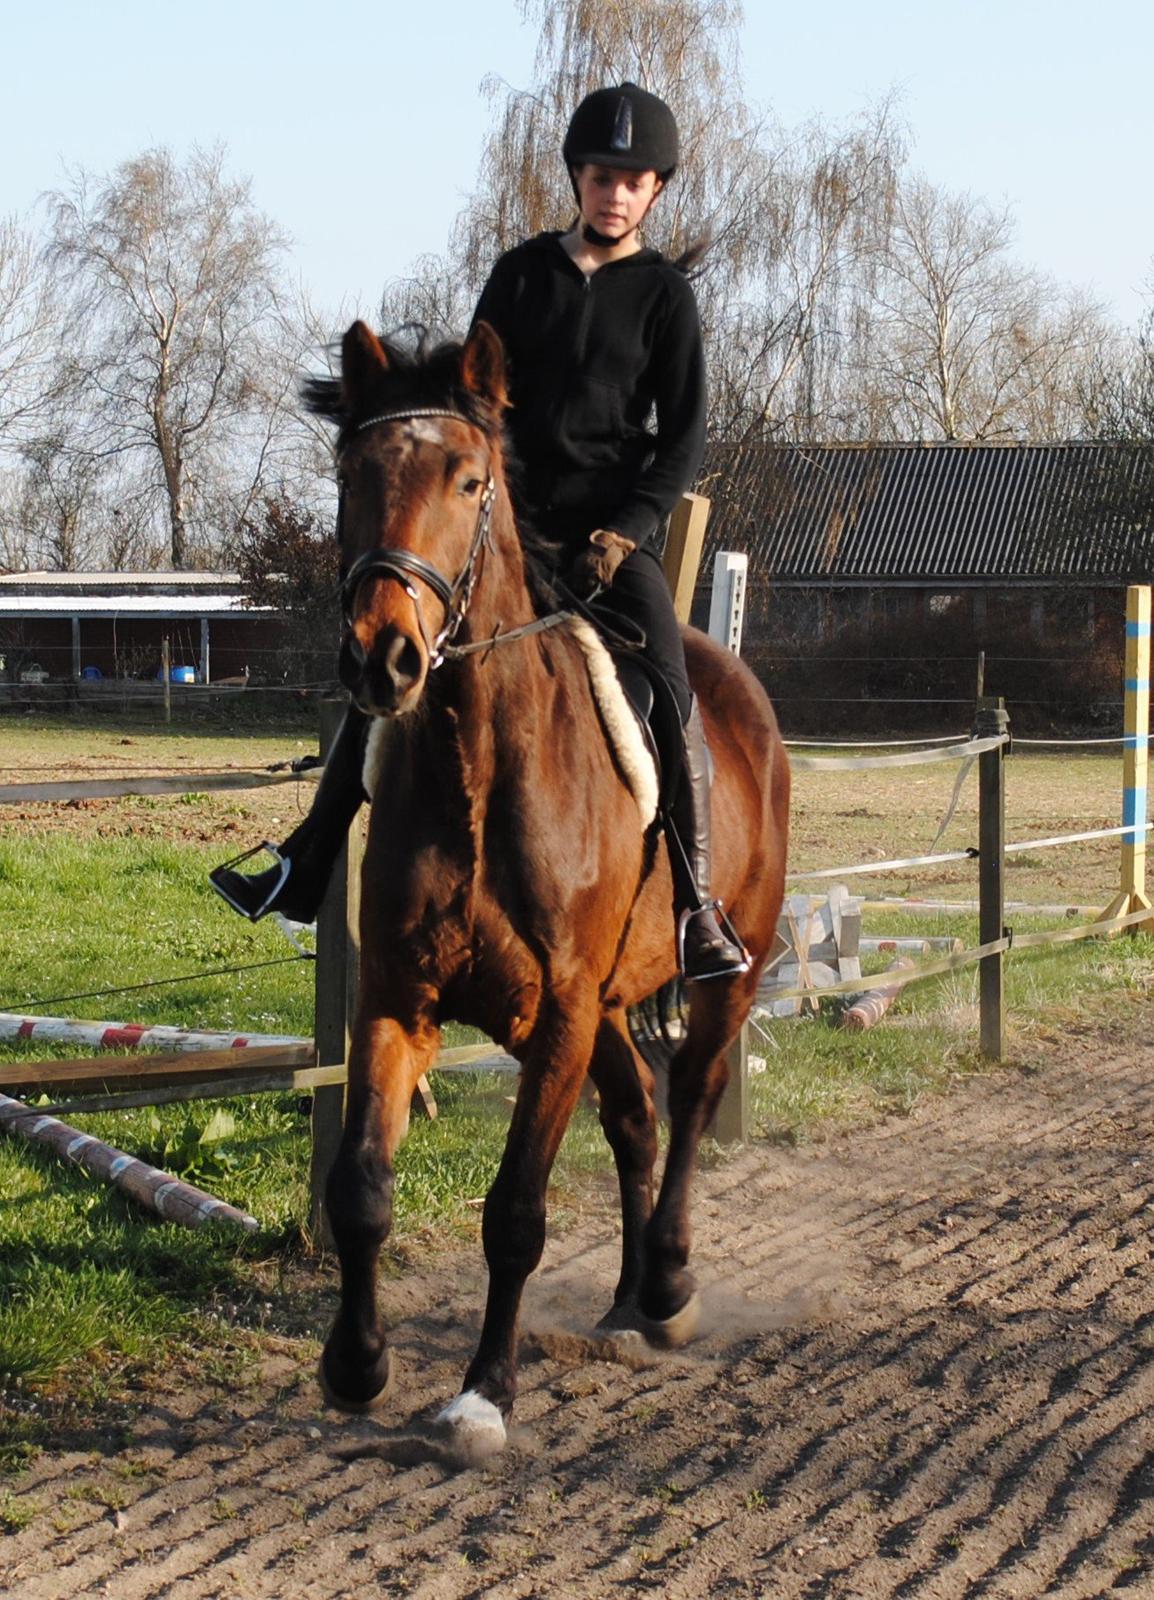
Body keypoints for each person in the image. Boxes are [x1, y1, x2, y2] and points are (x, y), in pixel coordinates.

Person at [211, 82, 748, 981]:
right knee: (390, 663)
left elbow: (684, 437)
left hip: (607, 544)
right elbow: (471, 405)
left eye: (633, 179)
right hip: (504, 531)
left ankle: (696, 904)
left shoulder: (663, 298)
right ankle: (305, 860)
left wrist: (629, 528)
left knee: (667, 680)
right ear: (577, 178)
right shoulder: (522, 273)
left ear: (656, 190)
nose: (614, 192)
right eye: (600, 175)